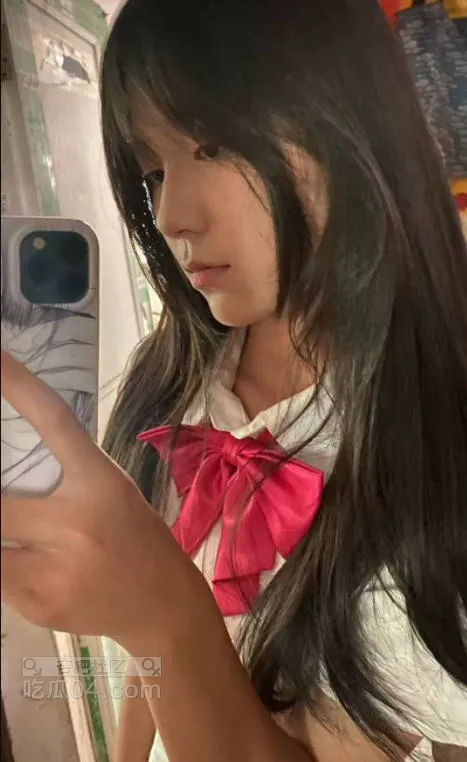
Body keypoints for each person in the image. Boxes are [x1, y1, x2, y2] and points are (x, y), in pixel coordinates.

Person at [1, 1, 466, 761]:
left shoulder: (426, 461)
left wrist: (165, 615)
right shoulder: (172, 376)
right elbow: (146, 674)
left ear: (347, 122)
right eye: (152, 173)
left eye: (213, 145)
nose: (169, 216)